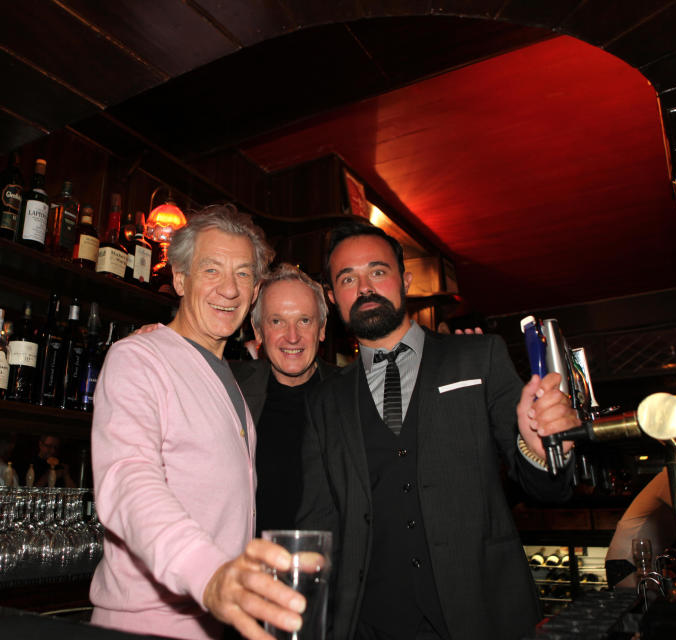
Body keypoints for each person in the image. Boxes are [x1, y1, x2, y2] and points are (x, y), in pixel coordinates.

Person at [297, 221, 582, 640]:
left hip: (482, 611)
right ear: (333, 297)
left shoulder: (478, 357)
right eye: (347, 278)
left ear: (404, 280)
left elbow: (549, 490)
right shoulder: (323, 401)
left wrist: (541, 449)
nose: (364, 288)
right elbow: (317, 523)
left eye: (377, 271)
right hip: (371, 623)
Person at [89, 204, 307, 640]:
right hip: (148, 624)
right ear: (181, 279)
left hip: (218, 621)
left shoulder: (232, 376)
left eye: (244, 274)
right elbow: (126, 479)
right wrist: (208, 574)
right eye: (212, 270)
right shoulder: (140, 358)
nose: (229, 289)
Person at [231, 264, 338, 533]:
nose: (292, 337)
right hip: (243, 568)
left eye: (304, 320)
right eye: (277, 321)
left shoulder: (352, 393)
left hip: (324, 570)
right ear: (258, 332)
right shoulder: (228, 384)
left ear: (322, 329)